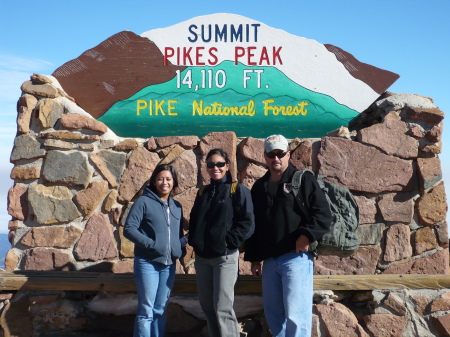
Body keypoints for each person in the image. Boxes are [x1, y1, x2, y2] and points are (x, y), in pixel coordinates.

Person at [244, 135, 332, 337]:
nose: (276, 158)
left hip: (296, 258)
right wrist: (255, 258)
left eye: (280, 154)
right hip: (270, 261)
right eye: (271, 154)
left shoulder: (302, 179)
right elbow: (255, 225)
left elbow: (323, 215)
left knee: (296, 317)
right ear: (265, 157)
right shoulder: (259, 187)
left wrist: (306, 236)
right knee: (275, 318)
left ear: (288, 155)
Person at [189, 148, 255, 337]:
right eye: (211, 164)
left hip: (224, 259)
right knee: (208, 307)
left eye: (219, 164)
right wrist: (195, 242)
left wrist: (229, 242)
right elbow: (195, 221)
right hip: (202, 259)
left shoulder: (237, 190)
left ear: (227, 166)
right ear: (207, 167)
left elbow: (247, 223)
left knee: (222, 308)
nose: (215, 168)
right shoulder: (203, 192)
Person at [124, 164, 184, 337]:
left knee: (159, 310)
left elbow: (177, 233)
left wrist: (179, 246)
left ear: (174, 182)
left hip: (168, 265)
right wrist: (152, 245)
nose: (164, 182)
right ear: (154, 181)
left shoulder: (177, 206)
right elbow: (129, 228)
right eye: (160, 178)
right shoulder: (143, 202)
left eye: (168, 179)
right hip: (148, 263)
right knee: (146, 311)